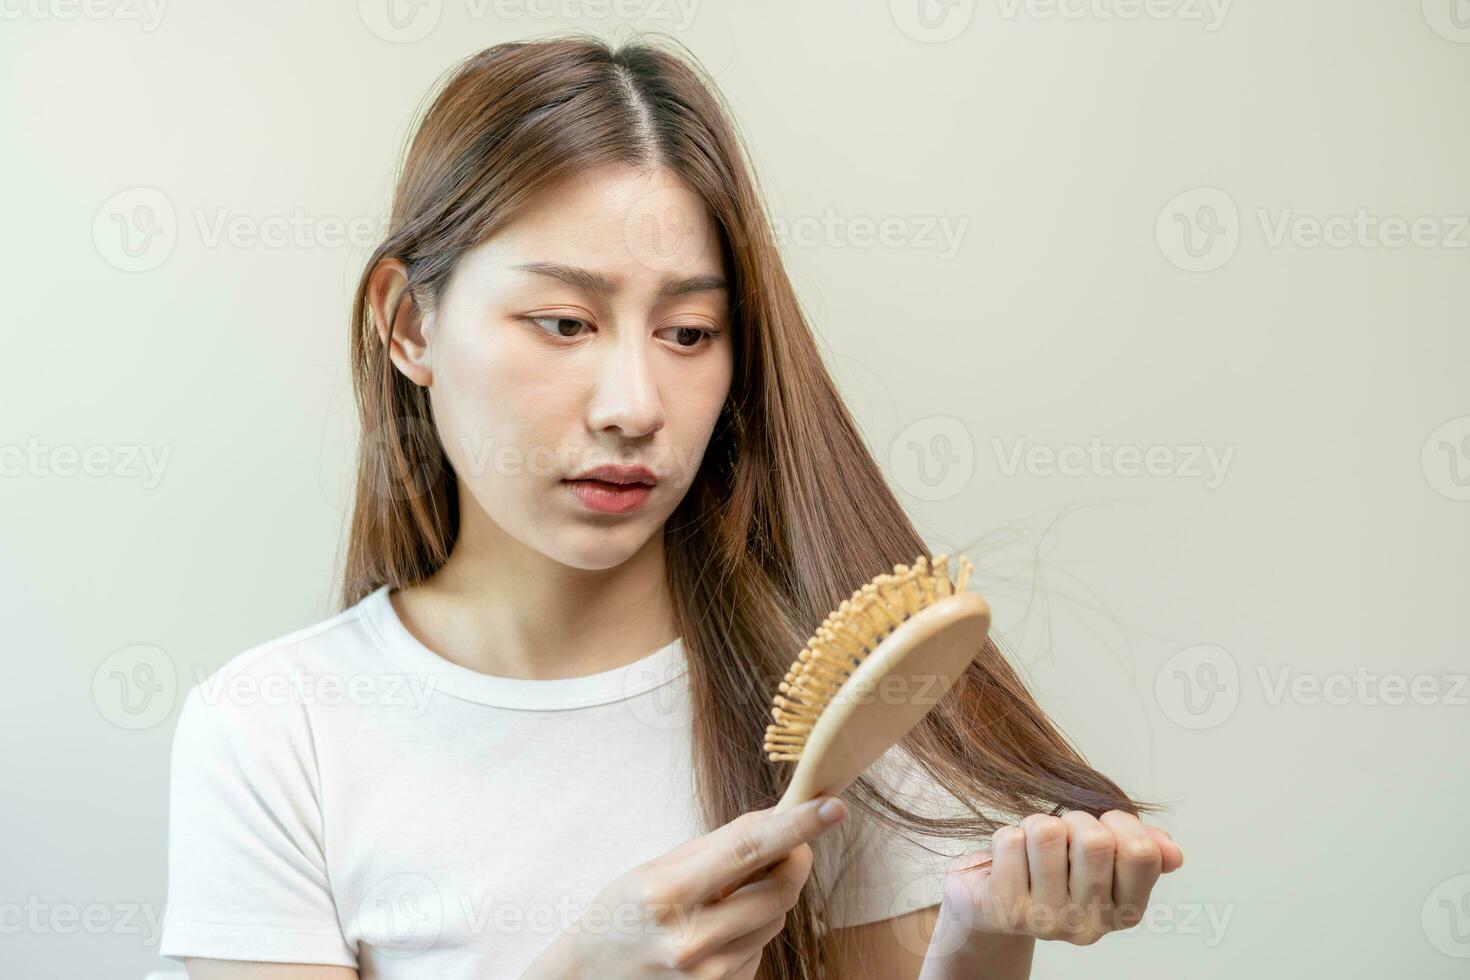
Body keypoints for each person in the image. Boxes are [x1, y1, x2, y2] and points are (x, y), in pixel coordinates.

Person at [159, 33, 1182, 980]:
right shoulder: (274, 731)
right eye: (563, 321)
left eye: (688, 332)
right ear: (407, 323)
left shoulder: (844, 711)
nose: (633, 407)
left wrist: (984, 933)